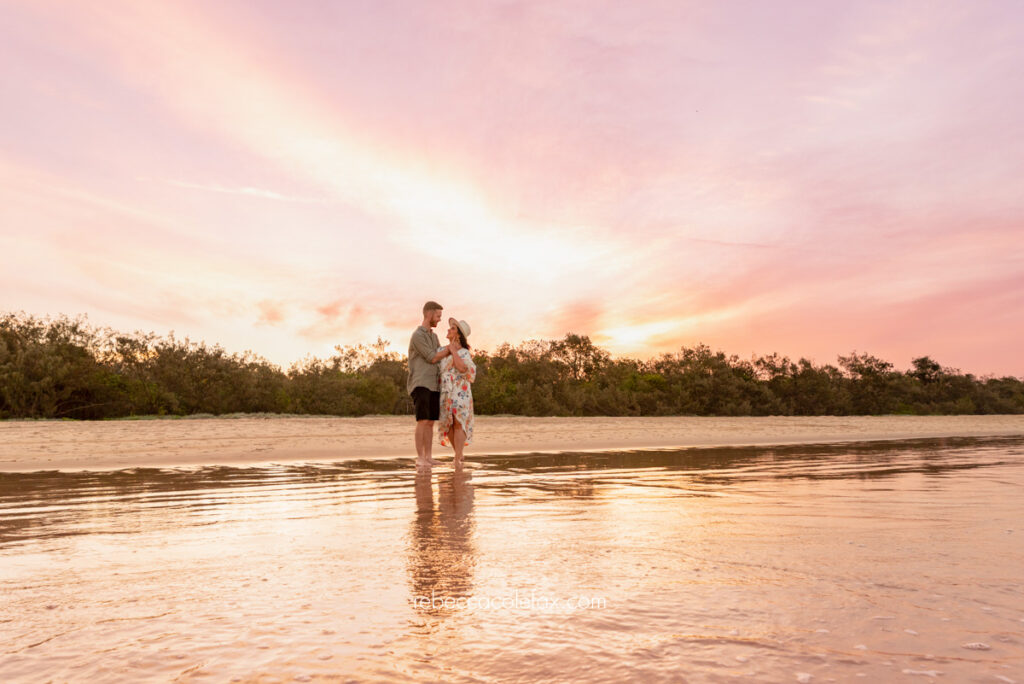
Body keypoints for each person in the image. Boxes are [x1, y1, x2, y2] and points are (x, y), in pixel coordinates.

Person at [408, 301, 451, 469]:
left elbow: (440, 356)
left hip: (434, 384)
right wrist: (450, 349)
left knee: (431, 421)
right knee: (423, 420)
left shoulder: (434, 336)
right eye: (438, 316)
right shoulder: (417, 335)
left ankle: (429, 456)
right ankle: (420, 458)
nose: (439, 320)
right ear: (429, 314)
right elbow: (432, 357)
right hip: (421, 383)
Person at [438, 318, 476, 469]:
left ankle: (457, 458)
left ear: (458, 335)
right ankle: (459, 455)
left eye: (452, 328)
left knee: (458, 422)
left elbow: (463, 368)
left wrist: (454, 351)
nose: (448, 330)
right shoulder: (443, 350)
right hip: (447, 391)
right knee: (449, 425)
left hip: (461, 391)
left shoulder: (464, 352)